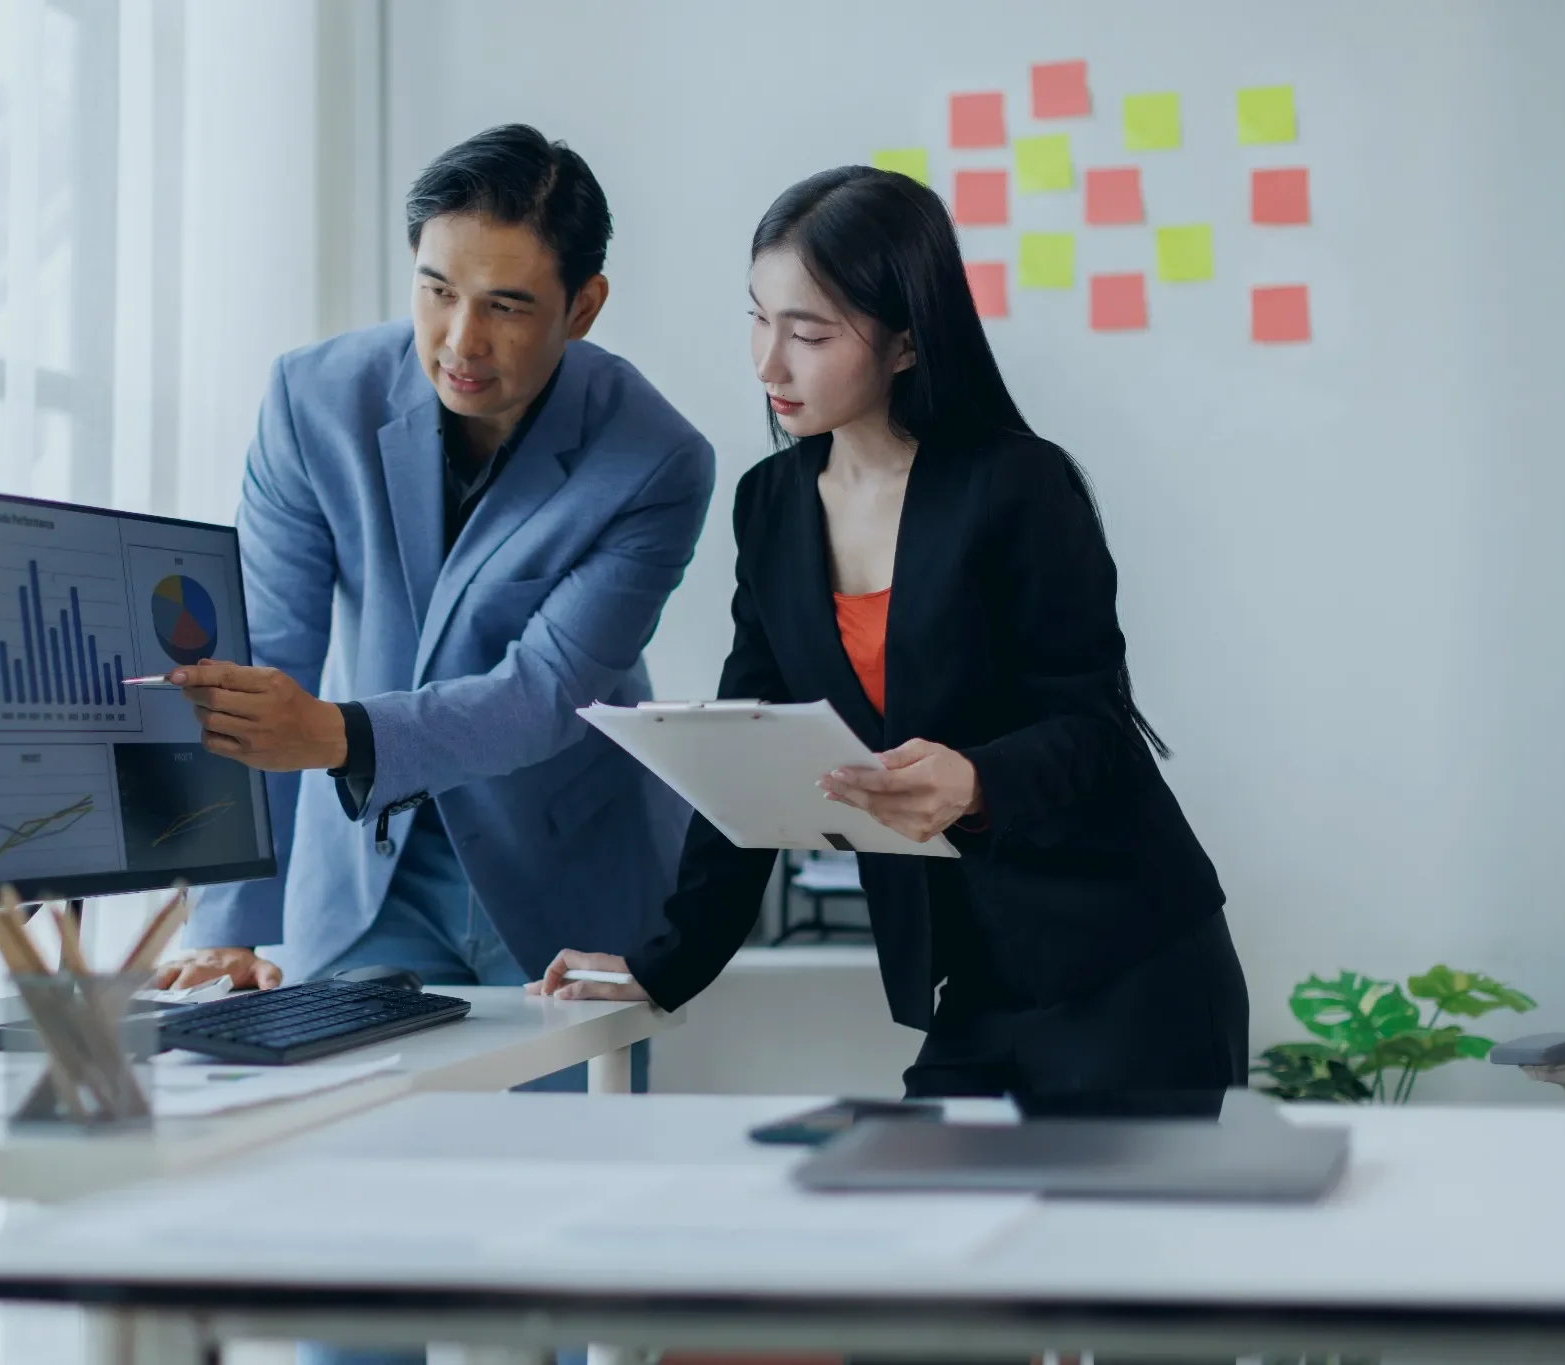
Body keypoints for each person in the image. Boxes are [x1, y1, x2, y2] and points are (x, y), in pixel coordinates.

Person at [532, 166, 1248, 1100]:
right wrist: (668, 963)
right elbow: (743, 751)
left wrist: (978, 779)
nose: (767, 363)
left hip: (1127, 964)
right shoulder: (773, 506)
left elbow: (1098, 728)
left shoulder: (1019, 487)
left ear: (907, 343)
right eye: (758, 317)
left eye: (810, 333)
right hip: (974, 983)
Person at [151, 126, 713, 1093]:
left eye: (506, 306)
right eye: (436, 289)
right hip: (368, 878)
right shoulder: (312, 399)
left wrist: (329, 729)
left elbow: (542, 694)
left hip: (562, 890)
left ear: (584, 307)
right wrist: (234, 925)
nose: (460, 340)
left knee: (552, 1205)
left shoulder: (658, 457)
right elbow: (261, 658)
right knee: (351, 1196)